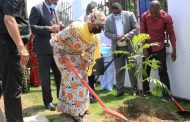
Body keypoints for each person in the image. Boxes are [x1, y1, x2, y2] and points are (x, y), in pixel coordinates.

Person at [50, 10, 105, 122]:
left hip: (76, 55)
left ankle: (81, 108)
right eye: (100, 25)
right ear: (92, 22)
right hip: (61, 54)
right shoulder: (75, 28)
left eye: (102, 26)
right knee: (73, 80)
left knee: (83, 78)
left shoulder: (95, 38)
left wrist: (85, 68)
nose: (101, 29)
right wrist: (62, 53)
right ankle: (75, 113)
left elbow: (89, 54)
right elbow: (56, 39)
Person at [140, 0, 177, 101]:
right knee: (145, 70)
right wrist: (144, 49)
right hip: (147, 46)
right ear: (149, 10)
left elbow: (171, 34)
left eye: (157, 13)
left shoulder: (166, 17)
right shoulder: (144, 16)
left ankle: (166, 95)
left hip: (160, 47)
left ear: (160, 9)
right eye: (153, 13)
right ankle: (146, 91)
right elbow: (142, 33)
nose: (155, 15)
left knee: (162, 71)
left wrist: (174, 50)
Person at [29, 0, 62, 111]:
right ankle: (48, 102)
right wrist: (48, 28)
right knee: (45, 77)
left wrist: (59, 26)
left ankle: (61, 99)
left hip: (56, 49)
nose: (57, 1)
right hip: (43, 49)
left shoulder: (54, 10)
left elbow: (55, 26)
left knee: (59, 75)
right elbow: (33, 27)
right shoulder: (36, 9)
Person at [0, 0, 30, 121]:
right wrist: (21, 47)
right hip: (10, 45)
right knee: (12, 89)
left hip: (6, 44)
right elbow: (9, 20)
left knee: (6, 84)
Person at [104, 2, 139, 97]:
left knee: (132, 69)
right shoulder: (108, 19)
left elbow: (136, 28)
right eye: (115, 13)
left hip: (129, 47)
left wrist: (126, 36)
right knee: (119, 71)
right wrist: (115, 37)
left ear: (121, 8)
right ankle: (120, 91)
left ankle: (134, 90)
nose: (117, 14)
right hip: (117, 48)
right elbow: (106, 33)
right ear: (112, 11)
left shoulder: (130, 15)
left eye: (118, 12)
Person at [85, 2, 98, 104]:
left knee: (92, 74)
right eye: (93, 9)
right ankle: (87, 96)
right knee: (86, 74)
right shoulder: (83, 19)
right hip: (85, 50)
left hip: (94, 49)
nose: (95, 10)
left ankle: (92, 94)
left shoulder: (97, 18)